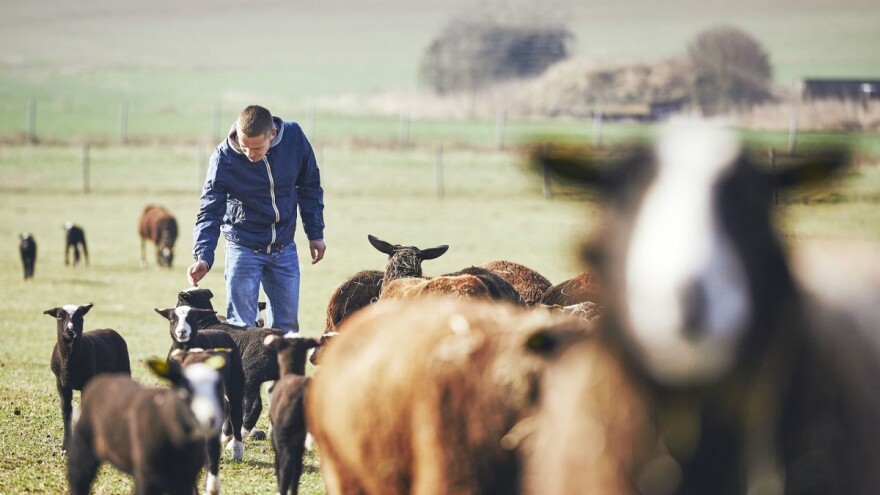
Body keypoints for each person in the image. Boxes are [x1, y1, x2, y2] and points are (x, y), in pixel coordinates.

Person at [187, 105, 325, 333]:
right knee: (242, 328)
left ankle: (281, 371)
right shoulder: (223, 158)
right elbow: (210, 211)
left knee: (287, 331)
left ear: (272, 134)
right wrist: (203, 256)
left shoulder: (294, 138)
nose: (250, 154)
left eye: (257, 148)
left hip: (284, 248)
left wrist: (315, 233)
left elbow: (309, 186)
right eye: (244, 147)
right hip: (243, 248)